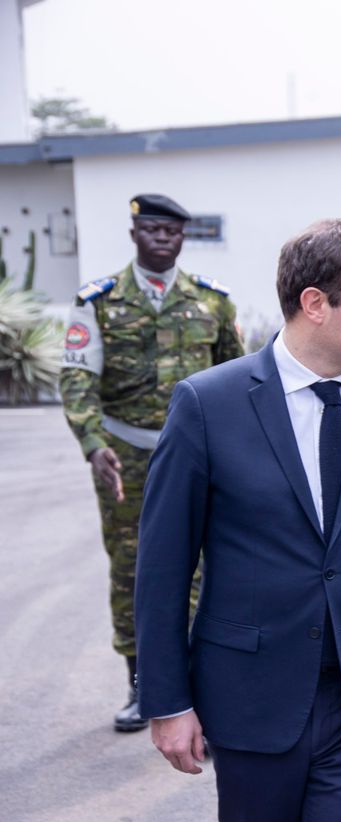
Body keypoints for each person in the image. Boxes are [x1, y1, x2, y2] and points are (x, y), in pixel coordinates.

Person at [135, 219, 341, 822]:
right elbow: (163, 569)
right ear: (316, 304)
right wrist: (166, 702)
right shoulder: (208, 403)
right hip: (252, 695)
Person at [60, 193, 243, 733]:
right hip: (129, 458)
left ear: (183, 238)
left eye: (174, 231)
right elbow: (76, 379)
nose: (164, 238)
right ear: (135, 234)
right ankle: (143, 687)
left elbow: (238, 379)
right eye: (153, 230)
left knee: (212, 568)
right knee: (135, 570)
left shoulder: (213, 302)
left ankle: (205, 689)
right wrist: (94, 444)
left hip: (201, 457)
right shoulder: (99, 301)